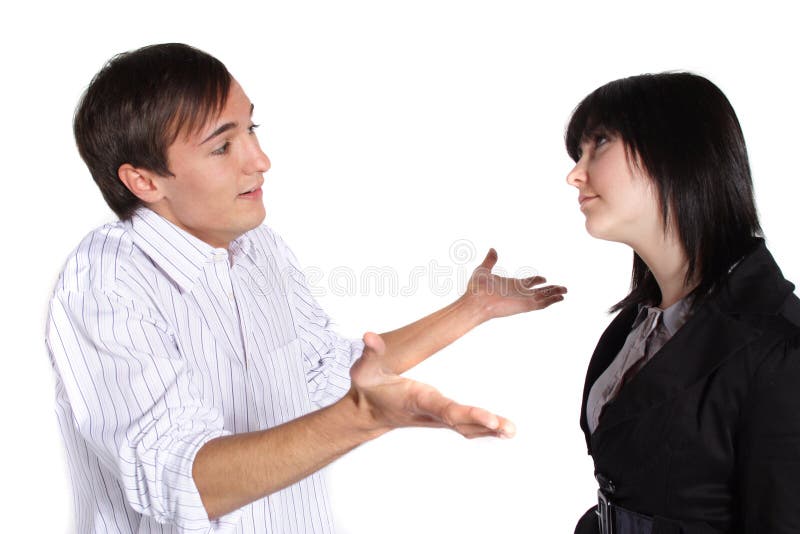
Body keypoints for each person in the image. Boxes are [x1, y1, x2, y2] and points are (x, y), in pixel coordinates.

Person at [45, 43, 566, 534]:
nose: (260, 160)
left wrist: (470, 310)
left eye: (253, 129)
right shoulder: (105, 283)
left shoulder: (259, 249)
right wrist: (362, 418)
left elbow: (320, 375)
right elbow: (180, 480)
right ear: (145, 182)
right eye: (223, 146)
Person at [565, 72, 800, 533]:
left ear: (676, 152)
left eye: (600, 143)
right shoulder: (637, 326)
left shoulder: (780, 352)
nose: (574, 173)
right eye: (579, 154)